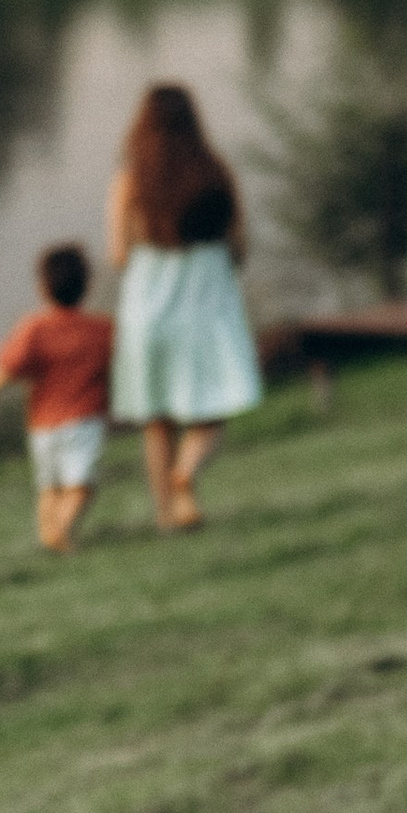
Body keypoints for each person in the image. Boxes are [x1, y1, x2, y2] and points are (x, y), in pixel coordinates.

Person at [108, 83, 262, 531]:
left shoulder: (131, 179)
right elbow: (239, 248)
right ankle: (185, 475)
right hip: (206, 300)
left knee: (156, 418)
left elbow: (118, 254)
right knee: (219, 401)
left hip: (148, 305)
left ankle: (165, 516)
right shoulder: (217, 173)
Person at [0, 240, 117, 554]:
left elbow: (5, 368)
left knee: (48, 487)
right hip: (84, 421)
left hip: (43, 427)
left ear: (43, 288)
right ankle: (60, 530)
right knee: (81, 486)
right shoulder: (102, 330)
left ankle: (50, 533)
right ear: (87, 286)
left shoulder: (34, 329)